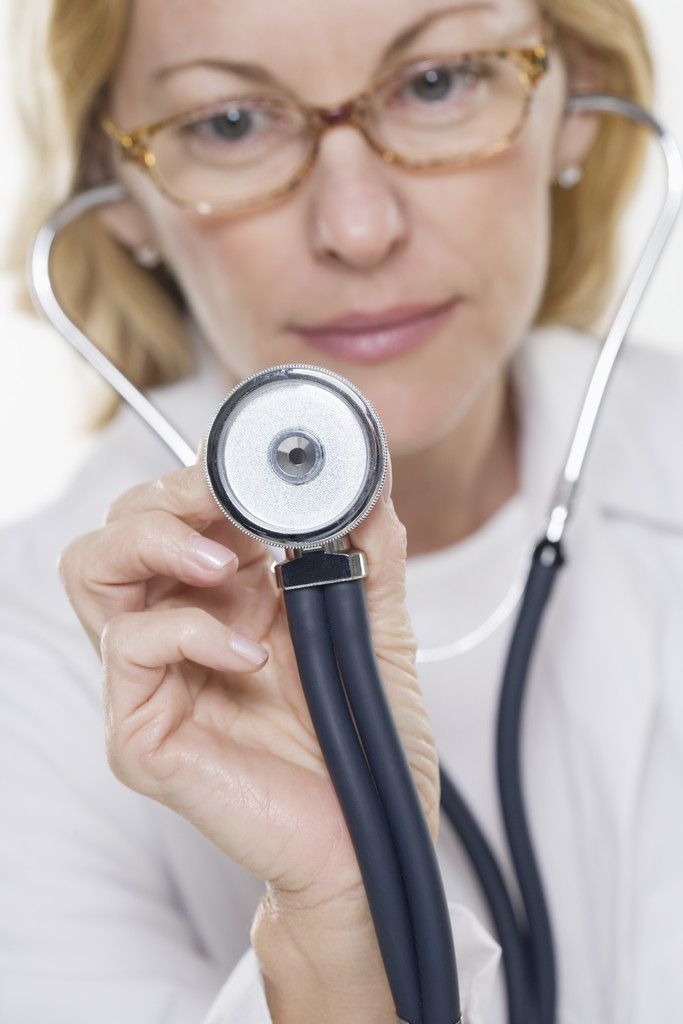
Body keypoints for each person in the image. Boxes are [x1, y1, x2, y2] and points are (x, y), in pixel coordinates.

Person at [1, 0, 682, 1021]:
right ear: (121, 183)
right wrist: (336, 935)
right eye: (229, 122)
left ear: (569, 96)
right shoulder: (29, 665)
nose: (358, 229)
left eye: (436, 81)